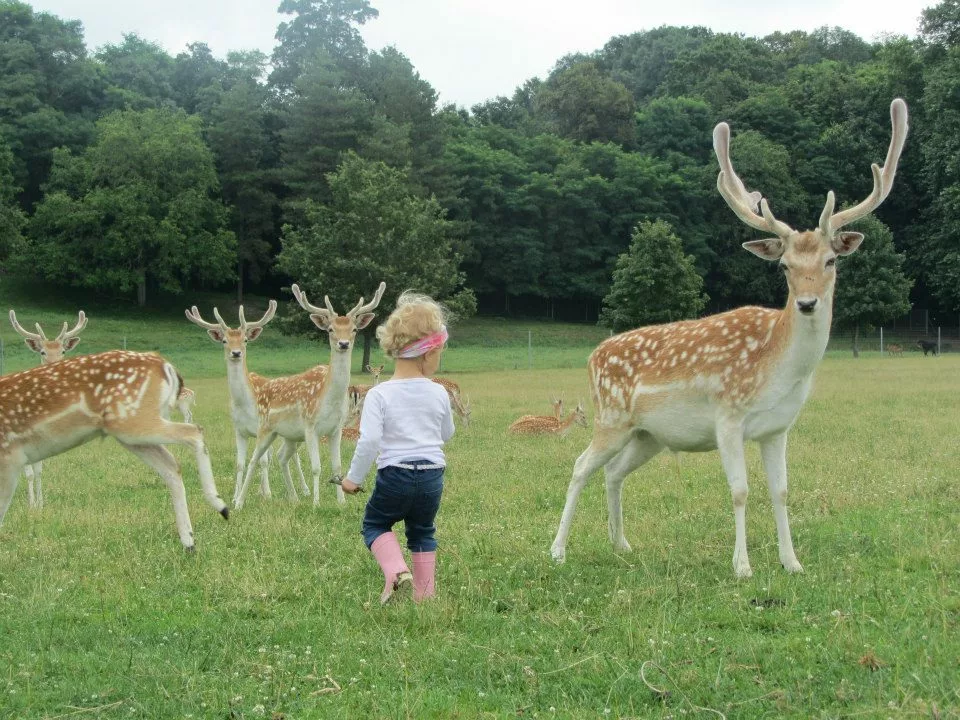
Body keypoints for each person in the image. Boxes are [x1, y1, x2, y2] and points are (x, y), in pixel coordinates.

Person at [341, 291, 455, 604]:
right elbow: (447, 433)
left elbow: (369, 441)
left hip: (395, 475)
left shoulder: (380, 395)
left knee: (375, 523)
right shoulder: (439, 393)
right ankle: (425, 594)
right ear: (428, 353)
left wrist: (353, 480)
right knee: (422, 531)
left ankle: (395, 571)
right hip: (432, 475)